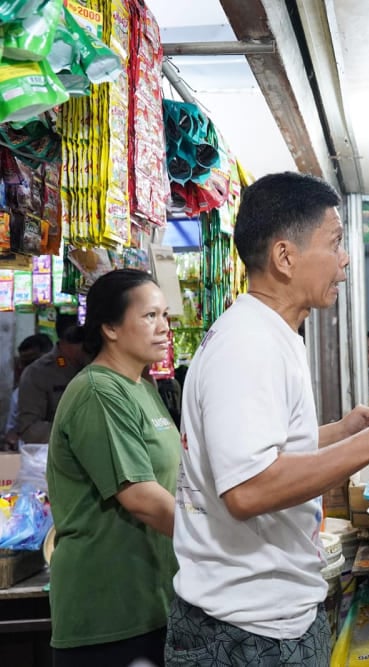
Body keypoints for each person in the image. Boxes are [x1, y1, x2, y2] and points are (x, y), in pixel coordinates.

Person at [169, 173, 369, 667]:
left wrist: (345, 430)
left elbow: (268, 451)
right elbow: (248, 489)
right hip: (244, 628)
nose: (345, 260)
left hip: (270, 615)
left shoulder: (272, 335)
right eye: (335, 243)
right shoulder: (249, 345)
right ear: (285, 257)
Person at [46, 269, 179, 667]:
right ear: (109, 327)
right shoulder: (98, 392)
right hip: (107, 614)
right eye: (150, 316)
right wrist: (220, 540)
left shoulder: (143, 387)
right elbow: (141, 497)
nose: (164, 328)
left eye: (166, 316)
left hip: (151, 600)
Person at [15, 314, 88, 443]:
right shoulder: (38, 373)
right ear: (67, 340)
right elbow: (29, 429)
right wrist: (77, 434)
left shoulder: (102, 364)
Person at [4, 334, 54, 449]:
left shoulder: (70, 384)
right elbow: (11, 432)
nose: (23, 368)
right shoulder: (18, 394)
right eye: (21, 363)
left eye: (30, 362)